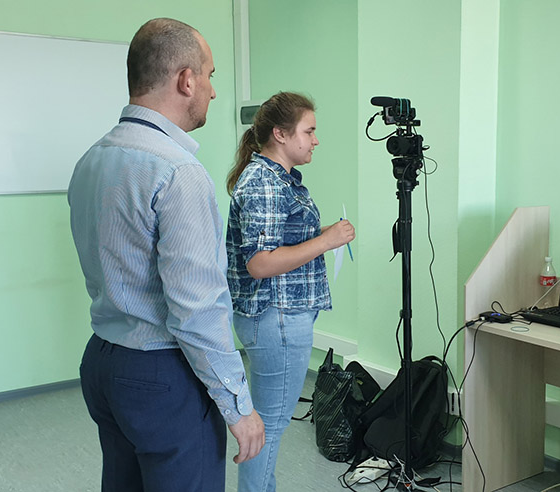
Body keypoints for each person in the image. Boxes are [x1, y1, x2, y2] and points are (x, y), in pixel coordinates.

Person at [68, 18, 265, 492]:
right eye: (211, 75)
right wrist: (239, 407)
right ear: (186, 79)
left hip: (103, 363)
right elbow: (197, 309)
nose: (214, 91)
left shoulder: (92, 159)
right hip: (162, 373)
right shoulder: (178, 172)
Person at [225, 91, 355, 491]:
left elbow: (280, 241)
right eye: (309, 131)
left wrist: (321, 234)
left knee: (267, 423)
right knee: (269, 425)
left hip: (279, 316)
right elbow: (260, 263)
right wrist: (325, 241)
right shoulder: (265, 182)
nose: (316, 140)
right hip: (277, 318)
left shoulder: (278, 179)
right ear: (280, 134)